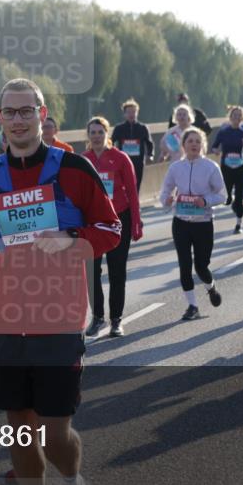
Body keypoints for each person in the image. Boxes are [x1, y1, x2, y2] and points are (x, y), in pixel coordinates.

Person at [0, 78, 120, 485]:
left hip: (60, 317)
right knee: (19, 427)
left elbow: (111, 229)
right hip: (6, 318)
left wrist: (71, 239)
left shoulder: (75, 170)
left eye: (28, 111)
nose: (20, 120)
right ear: (0, 118)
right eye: (11, 112)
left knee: (54, 429)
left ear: (43, 115)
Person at [83, 116, 143, 337]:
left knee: (117, 271)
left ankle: (116, 320)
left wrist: (136, 223)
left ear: (107, 134)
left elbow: (133, 194)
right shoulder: (83, 160)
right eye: (93, 132)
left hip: (119, 220)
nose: (97, 136)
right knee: (92, 272)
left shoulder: (120, 158)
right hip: (92, 224)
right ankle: (97, 317)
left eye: (100, 132)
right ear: (88, 136)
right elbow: (76, 196)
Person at [160, 128, 226, 321]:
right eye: (190, 141)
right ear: (184, 145)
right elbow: (165, 191)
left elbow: (223, 195)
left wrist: (205, 201)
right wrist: (167, 201)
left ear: (203, 145)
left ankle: (210, 287)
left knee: (201, 266)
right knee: (184, 265)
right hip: (181, 222)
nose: (194, 144)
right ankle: (192, 306)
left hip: (203, 223)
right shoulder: (175, 168)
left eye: (198, 141)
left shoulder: (211, 167)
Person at [211, 106, 243, 234]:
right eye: (234, 115)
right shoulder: (223, 131)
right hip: (226, 167)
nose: (236, 118)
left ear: (242, 118)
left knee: (239, 198)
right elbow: (214, 146)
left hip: (240, 167)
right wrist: (216, 150)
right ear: (230, 117)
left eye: (239, 116)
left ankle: (238, 224)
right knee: (226, 197)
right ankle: (232, 203)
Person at [111, 98, 154, 190]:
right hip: (123, 160)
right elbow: (111, 142)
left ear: (137, 113)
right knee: (123, 184)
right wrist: (111, 155)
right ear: (124, 114)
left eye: (134, 112)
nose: (131, 114)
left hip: (138, 161)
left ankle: (135, 203)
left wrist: (150, 155)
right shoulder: (119, 128)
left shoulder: (142, 128)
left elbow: (149, 143)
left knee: (136, 184)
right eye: (129, 112)